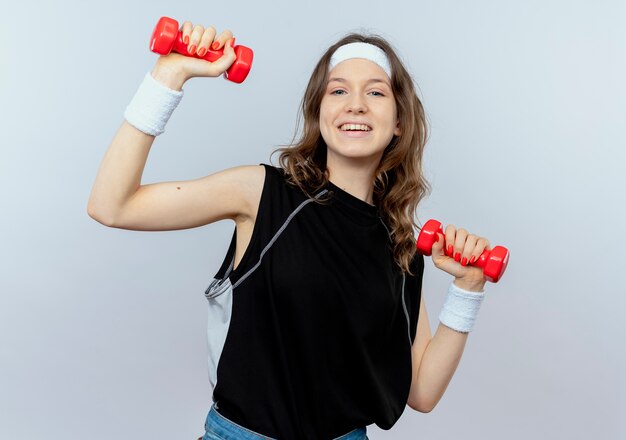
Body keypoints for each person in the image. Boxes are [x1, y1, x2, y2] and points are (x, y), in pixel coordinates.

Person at [88, 19, 493, 440]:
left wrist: (468, 287)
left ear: (399, 123)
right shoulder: (260, 193)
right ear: (319, 114)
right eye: (338, 91)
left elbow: (422, 392)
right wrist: (168, 76)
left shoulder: (401, 243)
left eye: (375, 92)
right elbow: (111, 206)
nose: (355, 104)